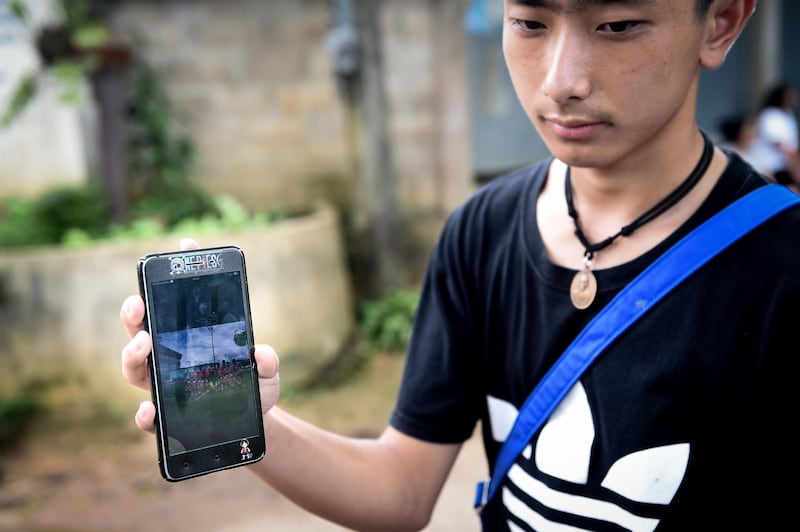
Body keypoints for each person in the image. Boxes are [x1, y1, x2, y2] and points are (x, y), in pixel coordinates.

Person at [121, 1, 799, 530]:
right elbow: (402, 490)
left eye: (618, 24)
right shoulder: (481, 231)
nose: (561, 80)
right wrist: (251, 421)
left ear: (721, 22)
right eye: (529, 22)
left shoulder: (780, 268)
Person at [755, 82, 800, 191]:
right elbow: (778, 143)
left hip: (785, 164)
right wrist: (794, 162)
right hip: (772, 165)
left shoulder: (788, 114)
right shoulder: (770, 115)